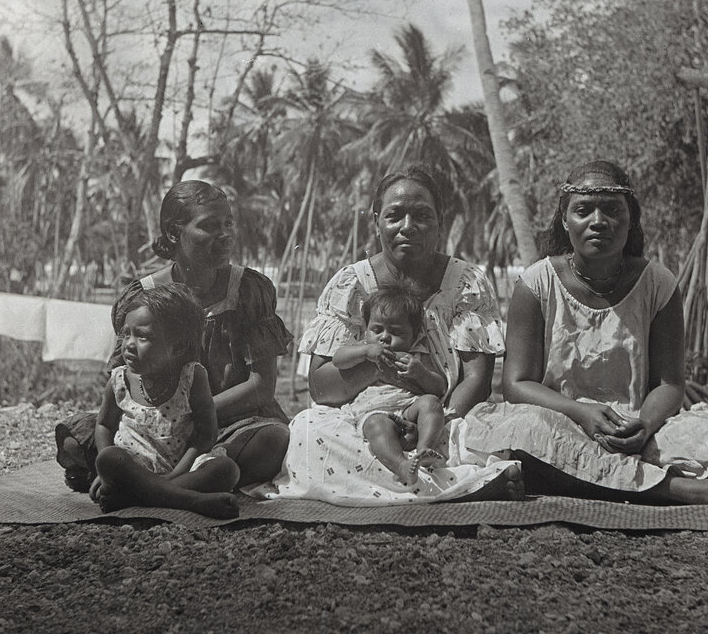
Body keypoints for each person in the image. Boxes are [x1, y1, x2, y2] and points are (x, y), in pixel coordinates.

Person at [465, 160, 708, 509]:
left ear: (631, 219)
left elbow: (670, 384)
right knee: (526, 435)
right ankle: (690, 491)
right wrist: (581, 413)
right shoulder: (536, 283)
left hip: (633, 424)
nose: (598, 221)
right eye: (583, 211)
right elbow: (516, 385)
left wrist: (644, 424)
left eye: (612, 210)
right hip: (560, 419)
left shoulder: (657, 284)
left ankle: (609, 478)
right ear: (565, 220)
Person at [249, 165, 523, 505]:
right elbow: (321, 388)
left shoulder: (466, 284)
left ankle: (405, 480)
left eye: (422, 216)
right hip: (364, 420)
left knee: (486, 430)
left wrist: (434, 424)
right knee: (310, 429)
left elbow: (476, 381)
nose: (407, 227)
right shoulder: (350, 285)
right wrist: (376, 366)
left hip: (443, 416)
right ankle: (461, 485)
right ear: (377, 221)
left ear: (440, 222)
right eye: (394, 216)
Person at [57, 180, 293, 491]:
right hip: (153, 427)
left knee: (272, 442)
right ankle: (181, 486)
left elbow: (261, 387)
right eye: (209, 226)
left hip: (230, 424)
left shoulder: (248, 290)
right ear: (173, 232)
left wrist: (193, 414)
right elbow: (125, 380)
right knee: (76, 439)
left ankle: (143, 486)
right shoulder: (142, 298)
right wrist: (155, 422)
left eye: (228, 223)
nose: (225, 234)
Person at [90, 283, 241, 518]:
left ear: (178, 347)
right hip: (134, 468)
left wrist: (174, 476)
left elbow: (205, 436)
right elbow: (103, 425)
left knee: (226, 469)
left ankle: (140, 496)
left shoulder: (192, 377)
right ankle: (190, 500)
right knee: (109, 459)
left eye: (142, 336)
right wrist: (103, 471)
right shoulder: (119, 380)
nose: (129, 344)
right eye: (126, 334)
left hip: (182, 468)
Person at [332, 286, 449, 486]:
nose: (384, 337)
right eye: (377, 330)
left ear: (414, 335)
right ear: (366, 329)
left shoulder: (417, 355)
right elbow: (338, 359)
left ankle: (425, 449)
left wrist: (421, 373)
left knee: (431, 403)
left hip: (409, 409)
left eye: (396, 332)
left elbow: (440, 388)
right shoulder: (364, 350)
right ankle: (401, 466)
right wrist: (365, 352)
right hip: (375, 410)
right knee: (377, 426)